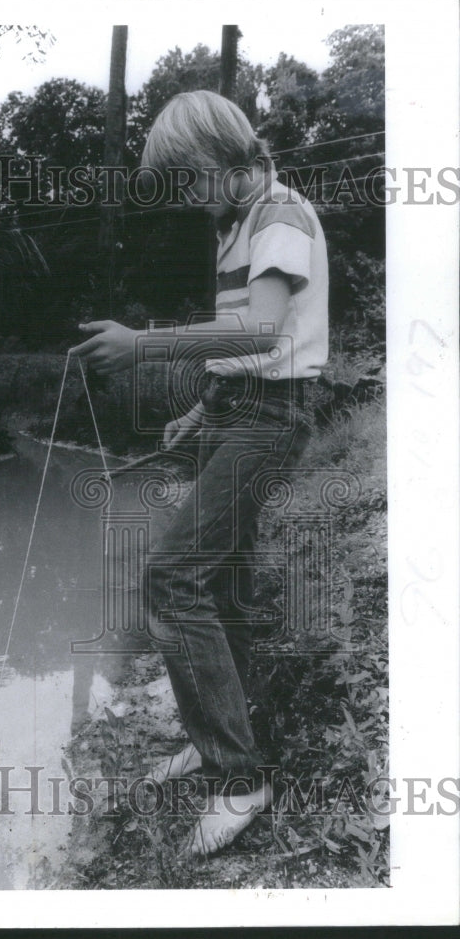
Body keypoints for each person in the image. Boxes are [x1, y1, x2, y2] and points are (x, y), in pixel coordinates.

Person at [71, 90, 329, 856]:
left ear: (221, 156)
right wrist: (204, 406)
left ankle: (239, 779)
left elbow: (260, 330)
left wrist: (142, 345)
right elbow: (238, 348)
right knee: (222, 580)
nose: (187, 196)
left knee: (171, 578)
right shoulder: (236, 224)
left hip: (272, 419)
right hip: (236, 410)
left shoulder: (279, 213)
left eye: (188, 179)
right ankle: (219, 730)